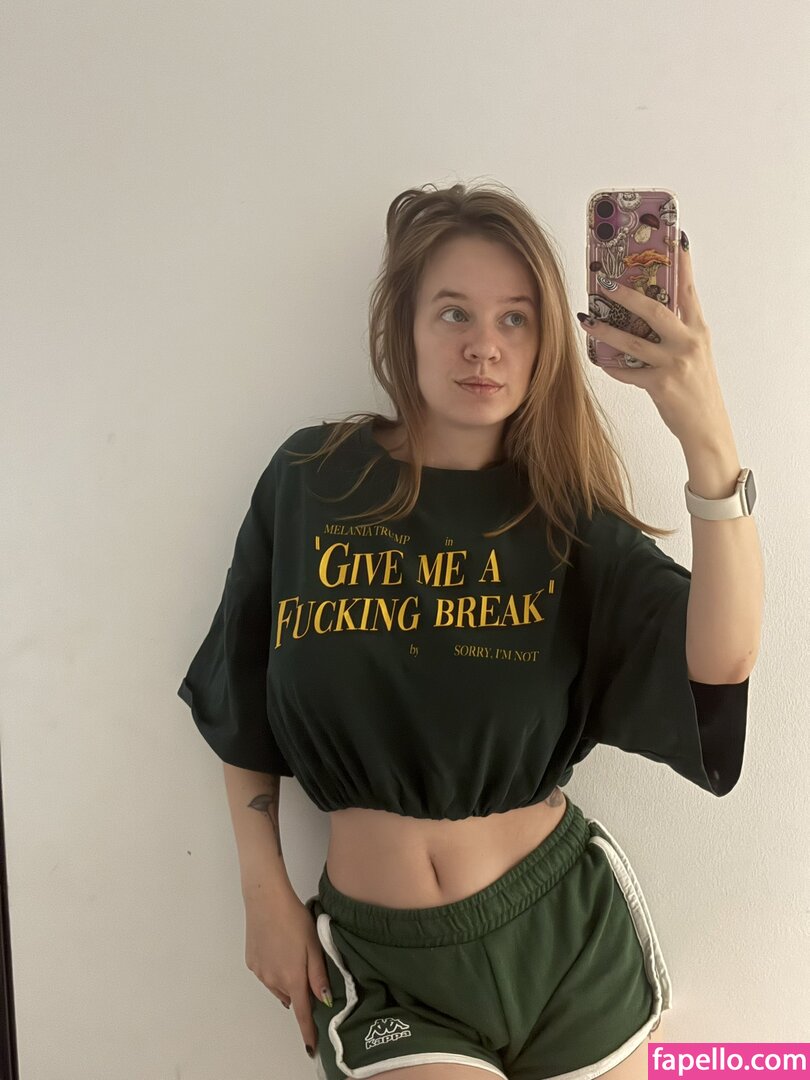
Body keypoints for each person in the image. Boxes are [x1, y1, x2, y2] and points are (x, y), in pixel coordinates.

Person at [177, 181, 759, 1080]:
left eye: (515, 319)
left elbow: (720, 662)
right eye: (454, 312)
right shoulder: (312, 480)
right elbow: (238, 692)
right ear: (403, 328)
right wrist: (264, 891)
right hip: (386, 968)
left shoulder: (565, 520)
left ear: (544, 345)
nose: (484, 344)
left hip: (566, 937)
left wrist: (707, 435)